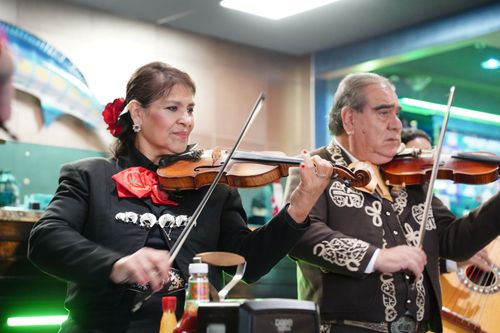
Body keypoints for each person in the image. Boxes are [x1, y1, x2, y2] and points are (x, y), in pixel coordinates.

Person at [27, 61, 334, 333]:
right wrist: (117, 264)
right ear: (137, 112)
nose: (186, 120)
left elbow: (249, 263)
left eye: (190, 109)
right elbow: (46, 238)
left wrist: (300, 205)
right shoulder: (90, 176)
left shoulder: (213, 188)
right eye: (172, 108)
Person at [285, 73, 500, 333]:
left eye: (396, 114)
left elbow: (454, 242)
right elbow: (298, 235)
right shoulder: (315, 167)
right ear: (350, 119)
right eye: (383, 113)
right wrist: (376, 257)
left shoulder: (410, 175)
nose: (397, 124)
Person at [400, 127, 492, 273]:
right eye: (416, 154)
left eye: (429, 155)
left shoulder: (426, 195)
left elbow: (453, 237)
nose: (426, 163)